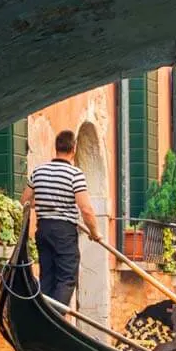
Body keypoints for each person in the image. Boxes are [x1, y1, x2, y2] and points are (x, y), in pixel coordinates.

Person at [20, 130, 102, 305]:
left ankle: (43, 316)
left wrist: (44, 203)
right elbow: (86, 209)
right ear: (73, 149)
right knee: (66, 278)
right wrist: (95, 233)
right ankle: (54, 318)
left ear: (55, 148)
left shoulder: (38, 172)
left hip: (43, 229)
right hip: (64, 232)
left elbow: (25, 201)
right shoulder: (75, 175)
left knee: (47, 278)